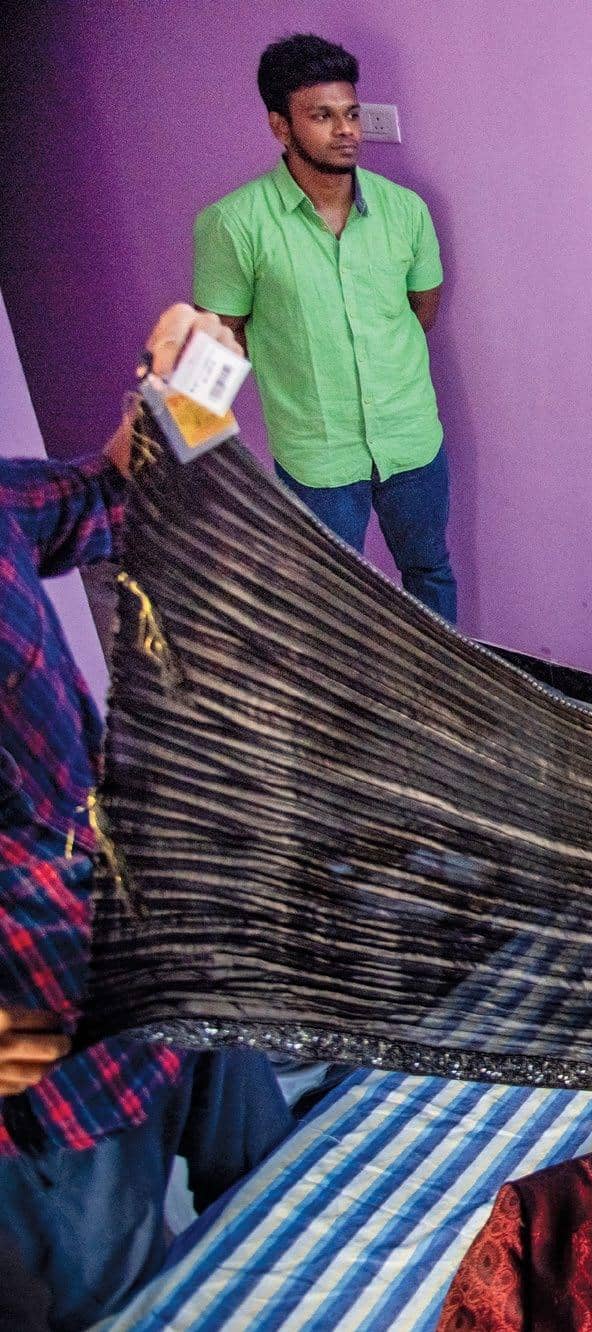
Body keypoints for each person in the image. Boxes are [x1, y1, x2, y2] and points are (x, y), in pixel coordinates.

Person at [0, 307, 293, 1331]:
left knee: (276, 1211)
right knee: (129, 1301)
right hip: (49, 1047)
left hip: (165, 945)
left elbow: (111, 493)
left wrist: (185, 387)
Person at [194, 33, 457, 622]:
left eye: (352, 114)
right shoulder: (234, 225)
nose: (346, 131)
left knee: (429, 572)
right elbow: (221, 341)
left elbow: (422, 311)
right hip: (318, 455)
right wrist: (192, 443)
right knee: (328, 605)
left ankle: (436, 684)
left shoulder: (406, 210)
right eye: (322, 116)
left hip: (411, 439)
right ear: (281, 127)